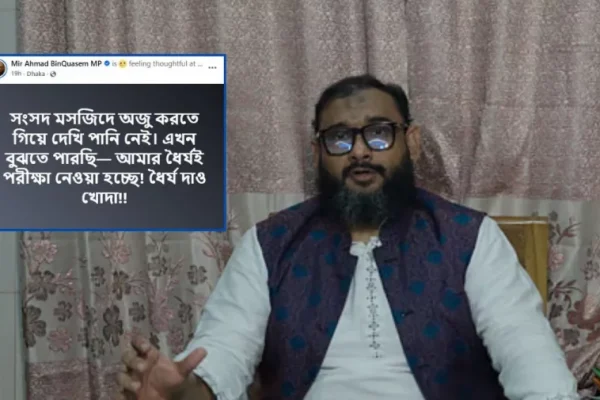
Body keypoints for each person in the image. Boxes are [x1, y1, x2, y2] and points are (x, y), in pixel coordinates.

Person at [118, 74, 579, 400]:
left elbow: (528, 354)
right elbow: (223, 350)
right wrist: (184, 391)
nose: (359, 151)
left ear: (412, 141)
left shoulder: (470, 238)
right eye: (339, 138)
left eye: (379, 134)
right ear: (318, 151)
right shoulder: (271, 245)